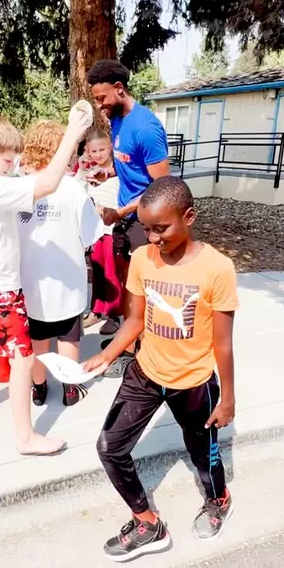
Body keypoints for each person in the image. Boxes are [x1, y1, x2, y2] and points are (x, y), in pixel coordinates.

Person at [84, 176, 238, 561]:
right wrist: (106, 356)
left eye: (161, 228)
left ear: (189, 216)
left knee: (202, 453)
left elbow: (223, 343)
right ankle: (148, 523)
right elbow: (134, 320)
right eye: (146, 228)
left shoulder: (217, 268)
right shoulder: (141, 260)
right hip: (145, 373)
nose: (152, 238)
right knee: (110, 447)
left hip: (194, 383)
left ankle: (218, 498)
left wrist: (228, 399)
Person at [0, 109, 89, 455]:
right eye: (8, 160)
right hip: (0, 288)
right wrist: (72, 133)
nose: (12, 167)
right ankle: (26, 437)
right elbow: (47, 184)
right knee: (23, 359)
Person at [87, 60, 170, 371]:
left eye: (101, 98)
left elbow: (162, 188)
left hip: (145, 223)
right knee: (127, 285)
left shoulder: (146, 128)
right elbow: (129, 166)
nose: (99, 106)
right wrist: (107, 174)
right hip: (124, 220)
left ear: (119, 89)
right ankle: (131, 342)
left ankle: (140, 355)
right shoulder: (118, 121)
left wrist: (120, 211)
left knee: (144, 292)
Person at [18, 120, 104, 407]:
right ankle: (69, 387)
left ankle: (39, 387)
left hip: (32, 280)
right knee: (69, 337)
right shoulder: (73, 189)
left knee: (38, 339)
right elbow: (91, 234)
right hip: (67, 276)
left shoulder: (20, 187)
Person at [82, 129, 122, 335]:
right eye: (93, 151)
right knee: (96, 272)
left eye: (101, 150)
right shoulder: (90, 175)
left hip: (111, 230)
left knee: (111, 272)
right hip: (95, 231)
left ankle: (113, 314)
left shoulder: (118, 174)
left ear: (110, 149)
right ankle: (96, 310)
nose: (98, 154)